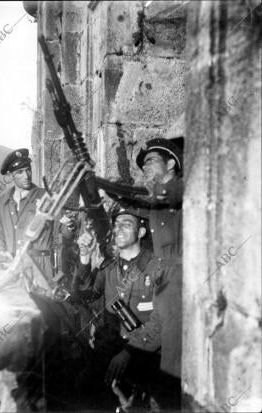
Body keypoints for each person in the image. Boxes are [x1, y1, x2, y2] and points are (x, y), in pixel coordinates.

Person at [72, 208, 163, 409]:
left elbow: (162, 321)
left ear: (141, 232)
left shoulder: (157, 268)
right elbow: (84, 296)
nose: (118, 228)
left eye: (127, 224)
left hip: (143, 356)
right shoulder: (110, 269)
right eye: (116, 224)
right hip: (109, 352)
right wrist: (85, 258)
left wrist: (129, 352)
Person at [120, 136, 184, 408]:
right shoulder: (156, 202)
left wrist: (107, 186)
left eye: (151, 161)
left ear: (171, 163)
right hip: (165, 287)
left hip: (183, 285)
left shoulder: (180, 190)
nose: (144, 167)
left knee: (173, 369)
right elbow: (133, 204)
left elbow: (149, 198)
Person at [0, 148, 55, 279]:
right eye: (20, 172)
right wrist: (1, 251)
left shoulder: (46, 197)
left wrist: (70, 226)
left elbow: (63, 230)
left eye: (28, 170)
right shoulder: (3, 202)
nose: (26, 176)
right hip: (12, 269)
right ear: (11, 176)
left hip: (39, 268)